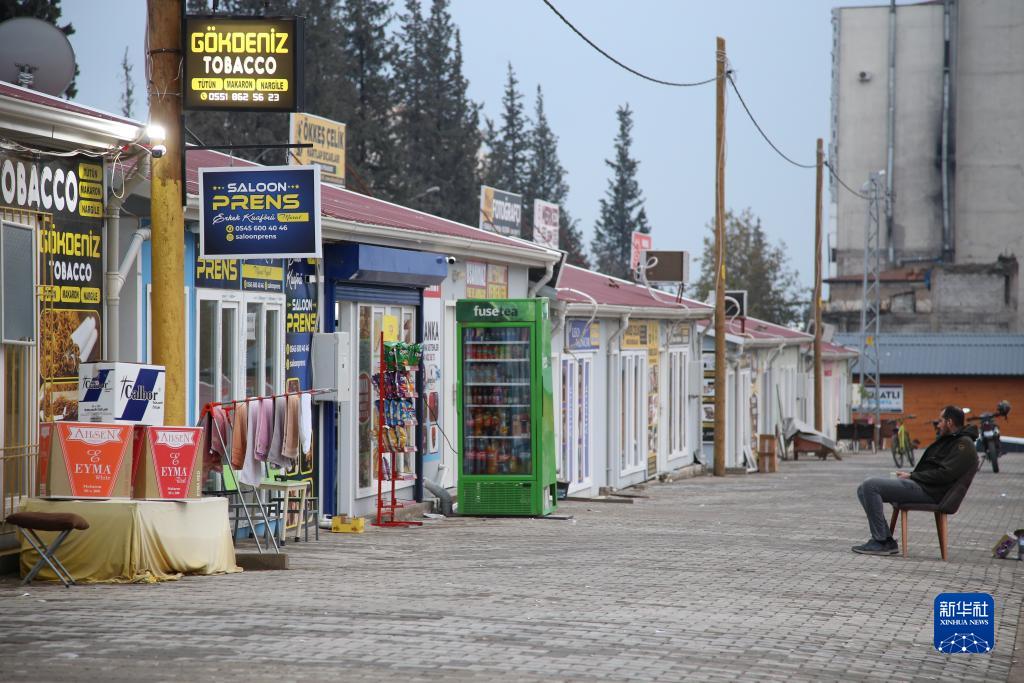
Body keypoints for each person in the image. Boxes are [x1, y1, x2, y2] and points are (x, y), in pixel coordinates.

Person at [853, 405, 979, 555]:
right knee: (863, 489)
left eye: (940, 421)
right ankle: (886, 540)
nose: (938, 425)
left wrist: (913, 476)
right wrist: (912, 476)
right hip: (924, 486)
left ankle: (880, 541)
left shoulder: (963, 444)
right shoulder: (953, 440)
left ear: (949, 422)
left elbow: (944, 475)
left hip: (931, 492)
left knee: (870, 485)